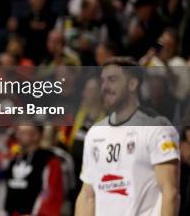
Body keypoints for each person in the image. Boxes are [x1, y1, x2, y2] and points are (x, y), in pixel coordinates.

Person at [75, 57, 181, 216]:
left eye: (112, 80)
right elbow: (87, 196)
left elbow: (170, 193)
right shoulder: (94, 133)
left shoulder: (157, 128)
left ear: (132, 84)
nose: (104, 87)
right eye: (103, 81)